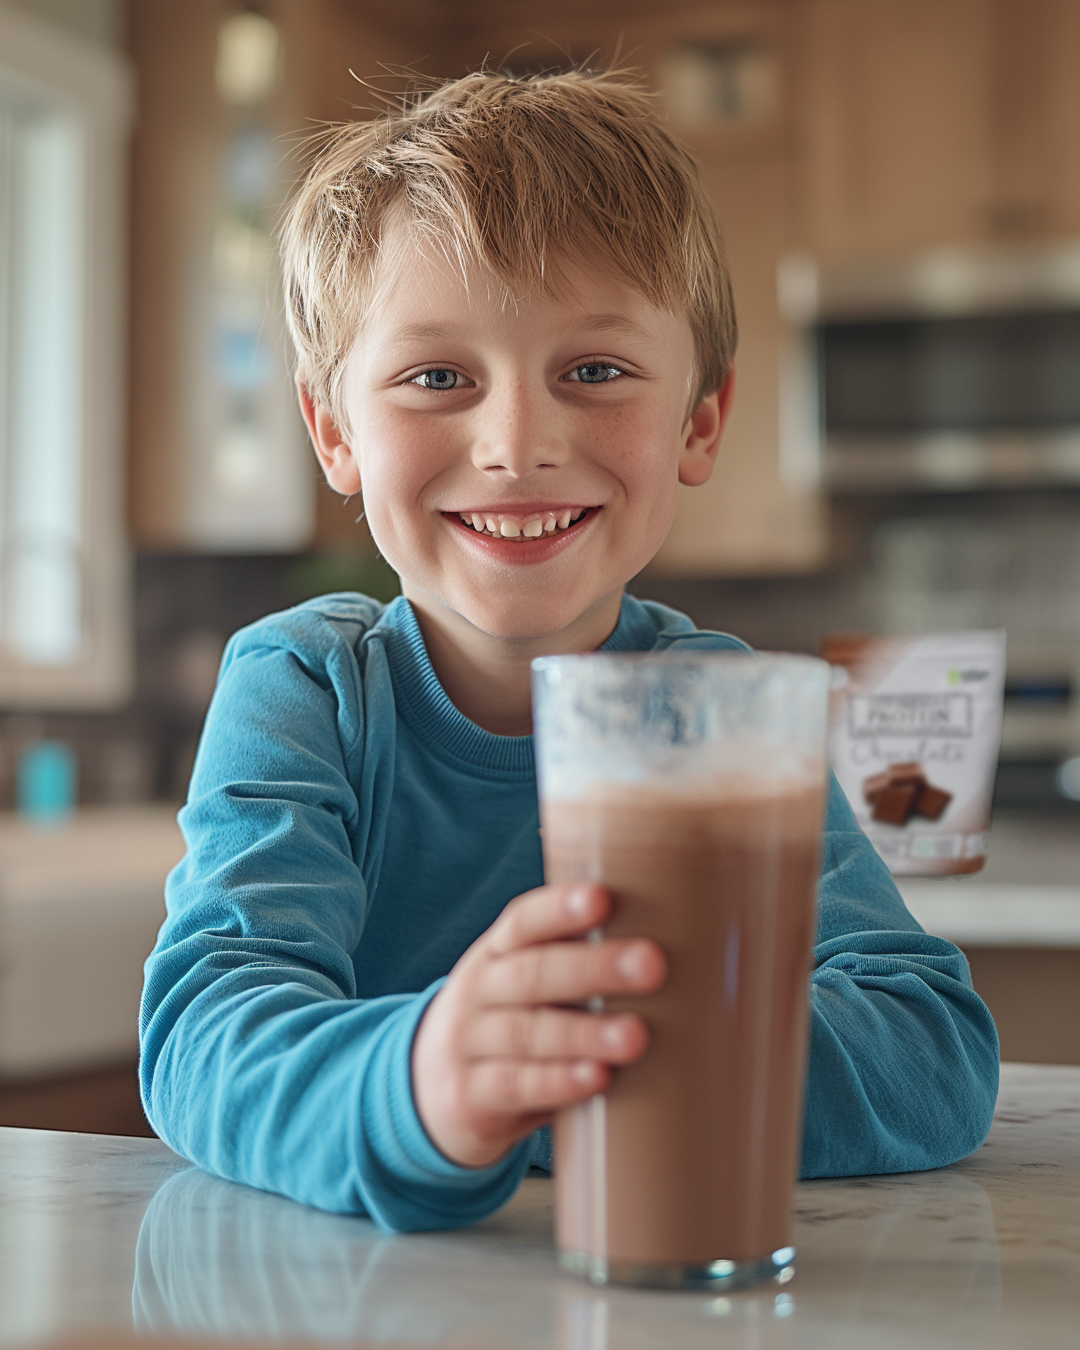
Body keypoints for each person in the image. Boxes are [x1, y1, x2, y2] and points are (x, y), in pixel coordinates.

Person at [139, 69, 998, 1231]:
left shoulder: (721, 711)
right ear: (333, 430)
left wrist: (584, 1070)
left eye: (593, 372)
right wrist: (426, 1085)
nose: (517, 443)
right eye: (437, 377)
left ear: (699, 421)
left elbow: (928, 1043)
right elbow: (207, 1033)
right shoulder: (304, 690)